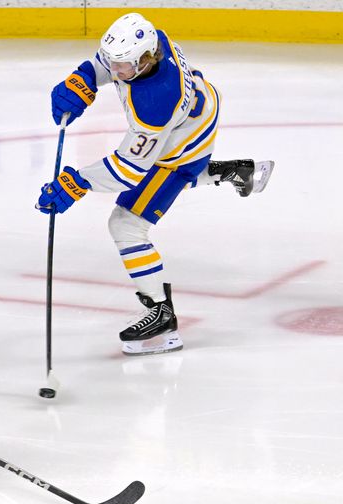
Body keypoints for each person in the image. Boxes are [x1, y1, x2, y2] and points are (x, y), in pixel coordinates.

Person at [37, 12, 272, 356]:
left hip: (181, 143)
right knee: (164, 186)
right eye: (115, 65)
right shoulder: (151, 41)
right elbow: (106, 61)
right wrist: (83, 78)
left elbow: (129, 170)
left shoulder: (155, 103)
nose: (115, 72)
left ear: (145, 61)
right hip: (199, 111)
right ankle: (233, 171)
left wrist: (78, 183)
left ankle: (161, 314)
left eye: (122, 67)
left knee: (127, 224)